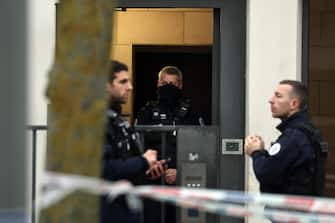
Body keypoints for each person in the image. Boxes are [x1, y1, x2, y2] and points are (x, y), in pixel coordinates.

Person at [136, 66, 204, 223]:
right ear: (158, 84)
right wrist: (155, 168)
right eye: (164, 83)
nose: (168, 88)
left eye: (172, 84)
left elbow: (201, 149)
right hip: (153, 181)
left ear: (180, 85)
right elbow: (138, 148)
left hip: (183, 182)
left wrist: (180, 170)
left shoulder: (191, 113)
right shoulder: (146, 112)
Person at [100, 60, 160, 223]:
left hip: (126, 210)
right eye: (123, 81)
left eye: (129, 81)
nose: (130, 87)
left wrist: (147, 167)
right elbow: (103, 169)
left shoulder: (119, 122)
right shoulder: (96, 123)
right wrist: (142, 161)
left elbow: (124, 163)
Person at [244, 80, 327, 196]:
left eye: (278, 96)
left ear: (294, 104)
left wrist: (255, 152)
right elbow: (281, 167)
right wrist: (262, 152)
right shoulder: (307, 131)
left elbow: (266, 173)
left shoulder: (294, 136)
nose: (271, 100)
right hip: (303, 209)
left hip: (291, 211)